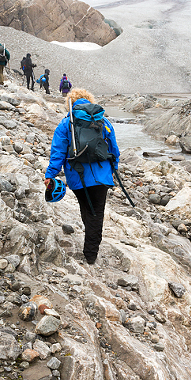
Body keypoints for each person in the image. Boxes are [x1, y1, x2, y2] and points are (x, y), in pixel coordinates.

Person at [44, 88, 120, 265]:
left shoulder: (67, 123)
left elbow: (58, 152)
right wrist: (113, 170)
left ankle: (90, 247)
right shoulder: (103, 120)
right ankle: (91, 254)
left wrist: (50, 174)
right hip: (102, 176)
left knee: (86, 209)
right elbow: (113, 149)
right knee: (97, 214)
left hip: (77, 176)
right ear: (90, 101)